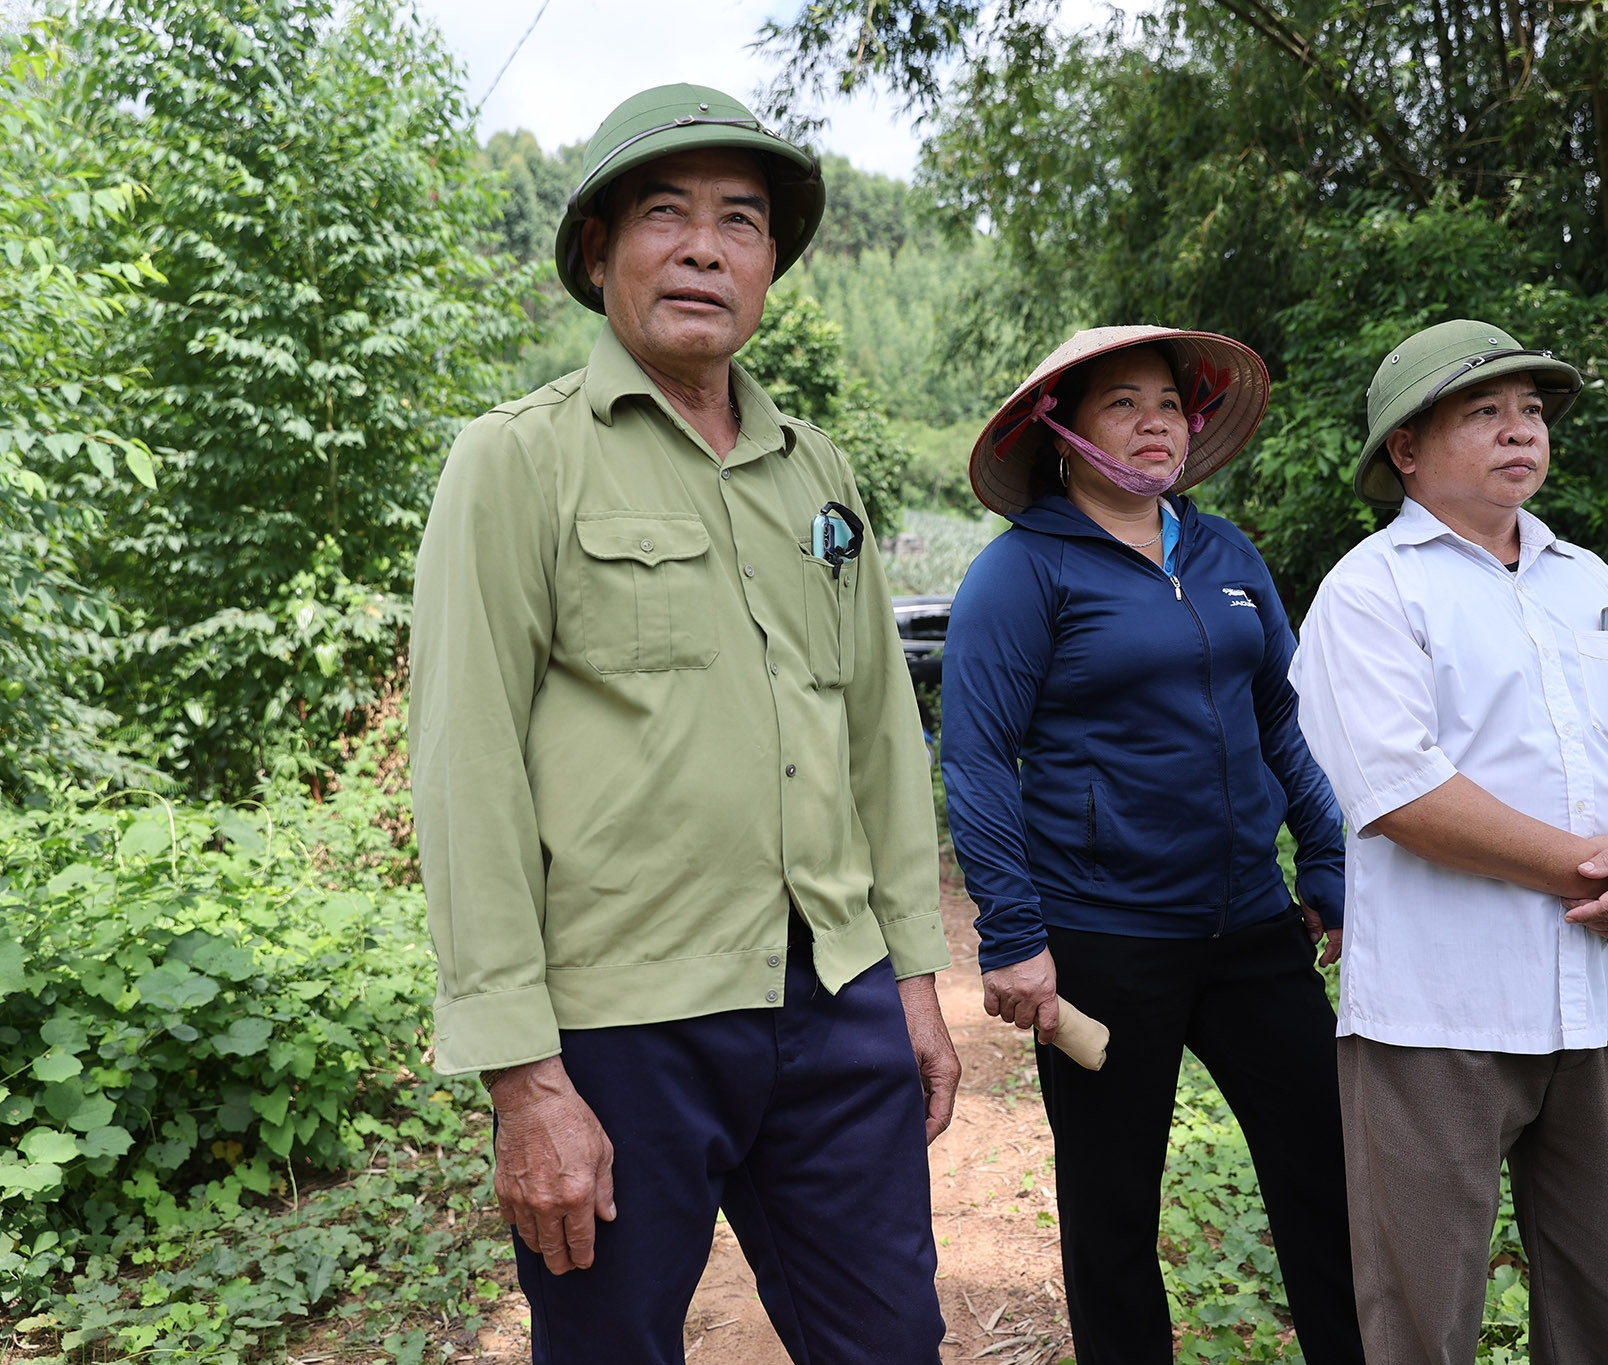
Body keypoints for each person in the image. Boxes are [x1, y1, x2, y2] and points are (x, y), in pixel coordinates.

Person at [408, 83, 957, 1364]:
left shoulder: (818, 473)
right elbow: (466, 769)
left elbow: (878, 732)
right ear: (599, 252)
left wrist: (914, 978)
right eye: (664, 213)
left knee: (888, 1342)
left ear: (770, 263)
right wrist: (524, 1078)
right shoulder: (517, 462)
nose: (705, 246)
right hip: (618, 1028)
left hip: (833, 998)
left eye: (741, 221)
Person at [1287, 319, 1608, 1364]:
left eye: (1529, 411)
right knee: (1420, 1317)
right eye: (1481, 411)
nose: (1517, 431)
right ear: (1404, 449)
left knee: (1606, 1305)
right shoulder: (1369, 590)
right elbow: (1400, 793)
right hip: (1437, 1015)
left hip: (1600, 1005)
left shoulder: (1592, 587)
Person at [941, 326, 1367, 1365]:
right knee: (1112, 1205)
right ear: (1061, 433)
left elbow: (1282, 717)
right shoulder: (1022, 573)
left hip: (1252, 927)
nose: (1153, 423)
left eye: (1169, 405)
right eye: (1121, 404)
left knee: (1330, 1176)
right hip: (1103, 942)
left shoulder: (1224, 555)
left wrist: (1326, 861)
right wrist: (1013, 933)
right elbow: (978, 759)